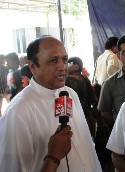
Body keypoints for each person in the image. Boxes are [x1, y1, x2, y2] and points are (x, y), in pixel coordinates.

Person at [0, 36, 102, 172]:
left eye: (64, 60)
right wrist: (53, 157)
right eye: (53, 61)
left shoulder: (69, 93)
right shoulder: (18, 111)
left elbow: (86, 146)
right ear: (32, 67)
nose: (62, 67)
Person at [97, 35, 125, 171]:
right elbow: (105, 112)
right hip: (124, 142)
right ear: (118, 56)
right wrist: (120, 123)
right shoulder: (110, 84)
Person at [66, 56, 96, 137]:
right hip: (87, 117)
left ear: (75, 66)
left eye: (68, 64)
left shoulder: (69, 79)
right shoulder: (85, 79)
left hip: (74, 119)